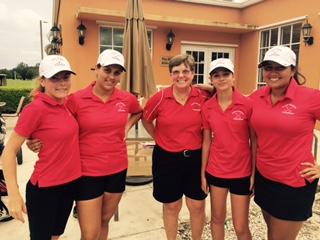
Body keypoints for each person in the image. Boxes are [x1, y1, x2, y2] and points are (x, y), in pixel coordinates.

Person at [28, 49, 142, 240]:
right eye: (107, 70)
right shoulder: (76, 100)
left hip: (117, 169)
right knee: (90, 233)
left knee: (104, 222)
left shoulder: (125, 98)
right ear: (96, 69)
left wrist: (126, 126)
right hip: (87, 172)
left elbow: (139, 111)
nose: (111, 77)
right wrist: (33, 141)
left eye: (116, 72)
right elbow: (55, 123)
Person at [2, 55, 81, 240]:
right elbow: (8, 152)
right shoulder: (35, 109)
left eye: (66, 77)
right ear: (43, 81)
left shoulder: (67, 104)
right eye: (55, 78)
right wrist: (14, 194)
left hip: (69, 185)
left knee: (55, 236)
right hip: (46, 189)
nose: (62, 83)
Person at [250, 45, 320, 240]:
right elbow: (233, 101)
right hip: (264, 179)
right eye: (268, 67)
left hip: (293, 183)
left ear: (293, 70)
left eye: (279, 67)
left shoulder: (310, 97)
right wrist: (210, 90)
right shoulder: (257, 97)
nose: (272, 73)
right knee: (271, 234)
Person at [142, 54, 208, 240]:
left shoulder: (202, 96)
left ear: (193, 74)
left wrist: (209, 87)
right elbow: (146, 120)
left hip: (195, 158)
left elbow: (226, 91)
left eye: (186, 71)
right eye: (176, 72)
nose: (181, 76)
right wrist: (159, 137)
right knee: (172, 206)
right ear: (170, 74)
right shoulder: (160, 98)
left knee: (197, 206)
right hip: (166, 159)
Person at [201, 58, 253, 240]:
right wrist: (202, 173)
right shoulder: (207, 107)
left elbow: (254, 141)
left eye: (225, 74)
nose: (221, 79)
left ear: (233, 77)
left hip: (242, 172)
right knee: (216, 219)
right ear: (212, 80)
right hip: (216, 171)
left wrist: (254, 172)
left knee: (240, 226)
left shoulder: (247, 104)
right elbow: (206, 141)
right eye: (216, 75)